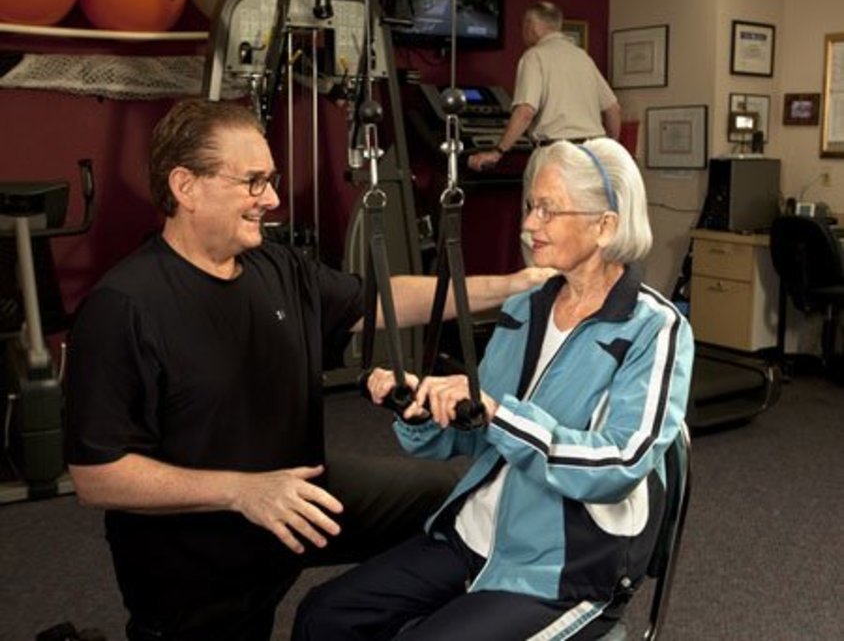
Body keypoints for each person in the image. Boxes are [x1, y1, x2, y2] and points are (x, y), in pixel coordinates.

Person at [64, 98, 554, 641]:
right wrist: (243, 491)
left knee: (466, 497)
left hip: (300, 491)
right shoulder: (124, 306)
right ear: (186, 186)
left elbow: (381, 301)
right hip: (199, 552)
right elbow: (96, 476)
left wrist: (509, 287)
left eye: (270, 180)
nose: (271, 199)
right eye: (253, 182)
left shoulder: (274, 264)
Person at [292, 138, 694, 640]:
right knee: (325, 614)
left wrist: (500, 413)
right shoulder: (528, 308)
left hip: (563, 568)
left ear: (605, 225)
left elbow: (621, 463)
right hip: (474, 532)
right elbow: (475, 433)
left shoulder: (653, 329)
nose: (529, 225)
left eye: (548, 210)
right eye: (531, 207)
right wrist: (424, 407)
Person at [467, 1, 621, 173]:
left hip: (558, 156)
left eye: (524, 23)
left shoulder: (534, 56)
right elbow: (613, 109)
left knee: (542, 201)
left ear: (531, 25)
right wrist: (610, 147)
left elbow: (525, 111)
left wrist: (497, 152)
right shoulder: (583, 57)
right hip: (593, 156)